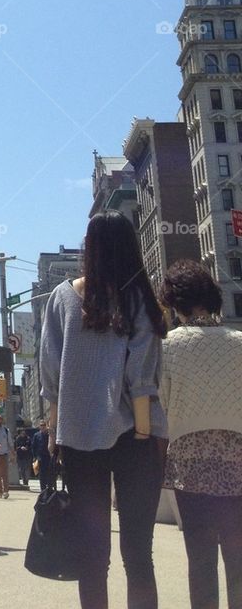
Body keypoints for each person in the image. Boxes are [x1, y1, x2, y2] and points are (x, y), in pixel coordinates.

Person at [39, 211, 167, 609]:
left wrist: (54, 435)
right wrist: (144, 432)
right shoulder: (141, 300)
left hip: (79, 435)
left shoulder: (62, 299)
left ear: (89, 248)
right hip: (137, 436)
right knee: (138, 553)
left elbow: (50, 375)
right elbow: (141, 374)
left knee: (93, 555)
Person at [160, 258, 242, 609]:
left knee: (201, 563)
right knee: (239, 564)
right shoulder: (239, 342)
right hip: (238, 466)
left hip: (189, 469)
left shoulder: (167, 347)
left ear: (174, 303)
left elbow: (162, 405)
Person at [31, 419, 51, 486]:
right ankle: (43, 489)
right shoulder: (36, 435)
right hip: (40, 457)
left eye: (44, 425)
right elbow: (33, 447)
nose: (42, 427)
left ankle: (50, 487)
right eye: (41, 425)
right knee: (42, 474)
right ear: (39, 426)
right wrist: (34, 457)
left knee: (49, 473)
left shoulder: (49, 435)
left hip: (49, 456)